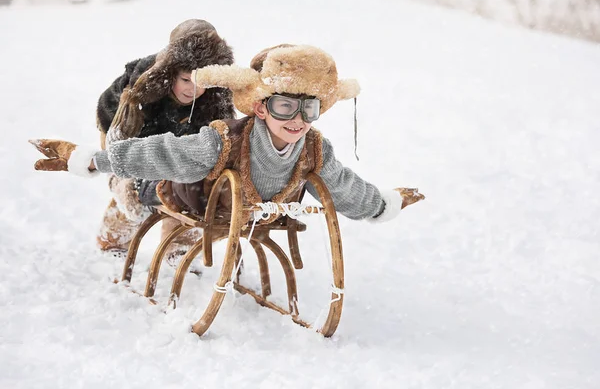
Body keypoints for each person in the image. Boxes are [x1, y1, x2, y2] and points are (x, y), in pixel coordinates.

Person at [32, 44, 424, 228]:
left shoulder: (314, 149)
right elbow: (166, 151)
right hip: (197, 200)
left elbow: (342, 186)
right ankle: (124, 217)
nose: (298, 120)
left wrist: (381, 204)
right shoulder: (224, 141)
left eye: (310, 109)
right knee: (144, 195)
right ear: (260, 107)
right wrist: (96, 159)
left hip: (261, 215)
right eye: (286, 106)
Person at [92, 18, 235, 260]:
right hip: (130, 141)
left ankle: (179, 248)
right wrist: (132, 175)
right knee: (131, 188)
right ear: (172, 73)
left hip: (179, 154)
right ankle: (113, 241)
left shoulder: (215, 98)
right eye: (186, 80)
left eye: (202, 82)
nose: (193, 89)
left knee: (189, 191)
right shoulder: (141, 87)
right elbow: (119, 143)